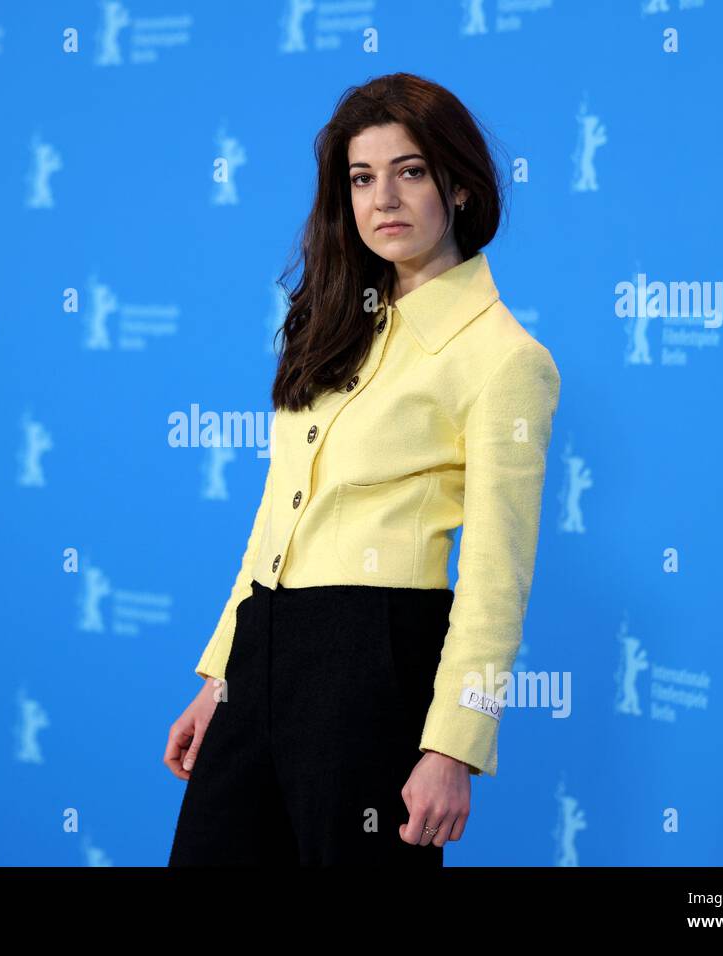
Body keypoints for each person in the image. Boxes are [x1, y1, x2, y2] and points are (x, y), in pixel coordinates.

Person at [164, 73, 561, 866]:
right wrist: (222, 676)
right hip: (265, 648)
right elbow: (276, 518)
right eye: (362, 177)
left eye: (409, 171)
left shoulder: (505, 358)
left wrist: (453, 746)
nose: (384, 197)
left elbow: (496, 579)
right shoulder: (336, 326)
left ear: (458, 185)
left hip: (374, 663)